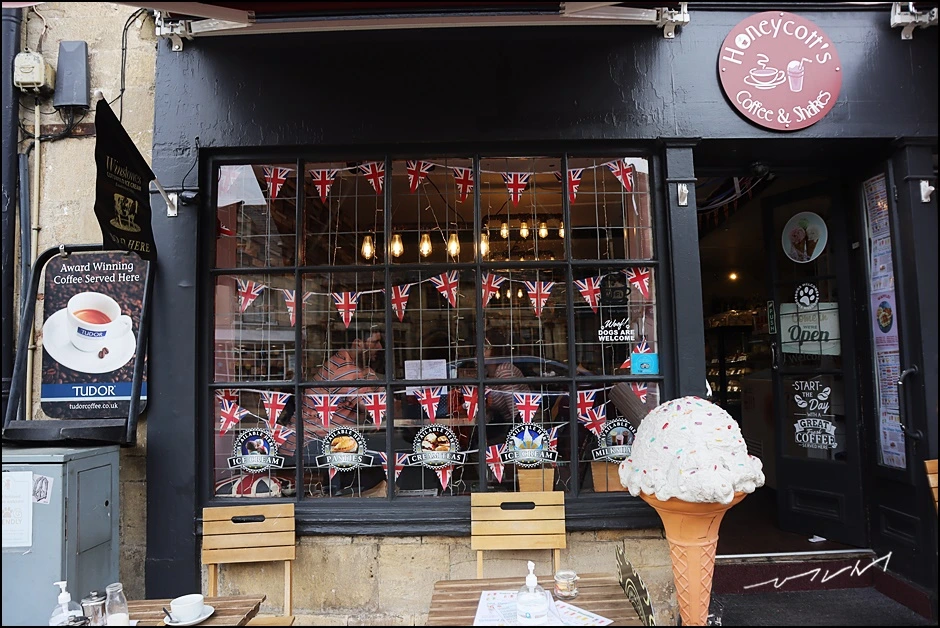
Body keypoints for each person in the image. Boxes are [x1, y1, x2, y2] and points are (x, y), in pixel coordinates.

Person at [279, 325, 385, 495]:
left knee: (371, 458)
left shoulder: (358, 367)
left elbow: (381, 399)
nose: (380, 347)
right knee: (374, 460)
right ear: (358, 343)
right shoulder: (344, 370)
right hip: (308, 443)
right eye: (375, 342)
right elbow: (375, 406)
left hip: (322, 439)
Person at [483, 328, 529, 445]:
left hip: (526, 427)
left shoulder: (504, 372)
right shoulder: (488, 375)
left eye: (486, 348)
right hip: (508, 425)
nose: (479, 352)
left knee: (485, 446)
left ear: (496, 351)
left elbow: (516, 410)